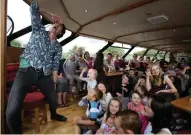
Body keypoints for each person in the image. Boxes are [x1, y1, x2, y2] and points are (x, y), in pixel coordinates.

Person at [6, 0, 67, 133]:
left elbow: (55, 66)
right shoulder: (39, 30)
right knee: (11, 112)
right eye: (54, 24)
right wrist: (49, 14)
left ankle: (54, 114)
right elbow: (33, 9)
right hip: (25, 71)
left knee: (53, 98)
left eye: (58, 26)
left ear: (60, 33)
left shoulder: (58, 47)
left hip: (44, 75)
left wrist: (54, 82)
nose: (55, 25)